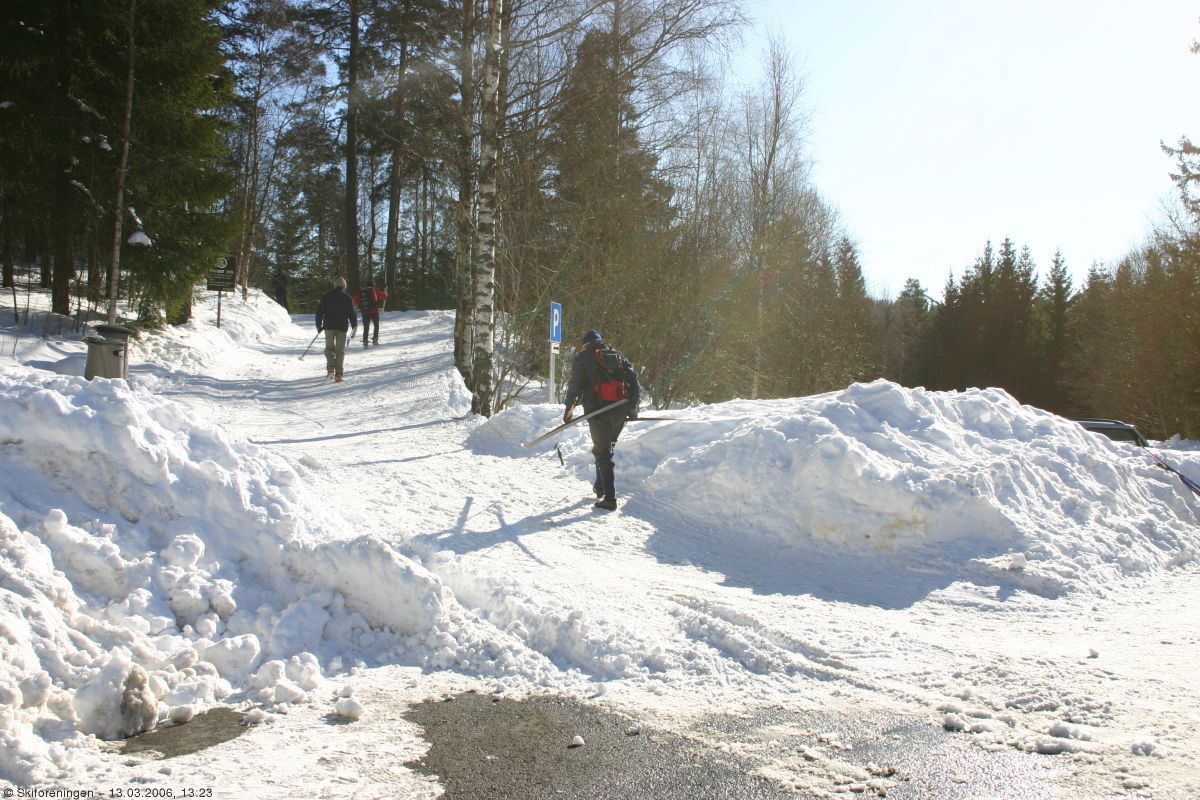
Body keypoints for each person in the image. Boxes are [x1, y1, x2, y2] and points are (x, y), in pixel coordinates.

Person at [563, 330, 640, 511]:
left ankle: (610, 498)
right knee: (606, 448)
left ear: (585, 344)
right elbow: (634, 380)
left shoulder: (583, 358)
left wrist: (569, 409)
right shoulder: (616, 354)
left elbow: (575, 386)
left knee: (602, 453)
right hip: (620, 409)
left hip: (599, 411)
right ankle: (599, 486)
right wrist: (633, 407)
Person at [315, 276, 357, 382]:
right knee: (340, 351)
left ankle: (330, 367)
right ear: (344, 286)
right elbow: (352, 313)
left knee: (329, 349)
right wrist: (354, 326)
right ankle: (338, 374)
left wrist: (318, 325)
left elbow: (319, 311)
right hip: (342, 327)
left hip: (328, 327)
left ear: (335, 285)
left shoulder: (327, 296)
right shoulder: (347, 297)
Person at [352, 281, 389, 347]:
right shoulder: (375, 291)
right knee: (376, 326)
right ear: (373, 286)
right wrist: (385, 290)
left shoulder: (361, 292)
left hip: (365, 312)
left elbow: (354, 301)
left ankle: (365, 341)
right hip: (374, 312)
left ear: (366, 286)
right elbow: (385, 297)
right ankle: (375, 340)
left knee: (366, 327)